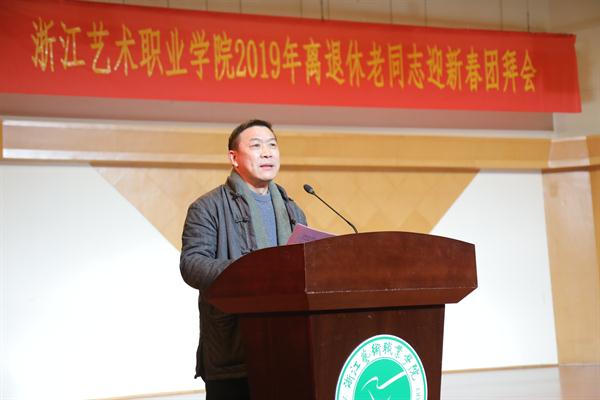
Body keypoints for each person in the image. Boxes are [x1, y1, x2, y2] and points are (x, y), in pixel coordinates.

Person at [179, 119, 307, 400]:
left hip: (289, 349)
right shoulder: (208, 207)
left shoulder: (293, 210)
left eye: (272, 145)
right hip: (234, 350)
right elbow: (192, 265)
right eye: (256, 146)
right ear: (234, 158)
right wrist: (250, 271)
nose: (267, 153)